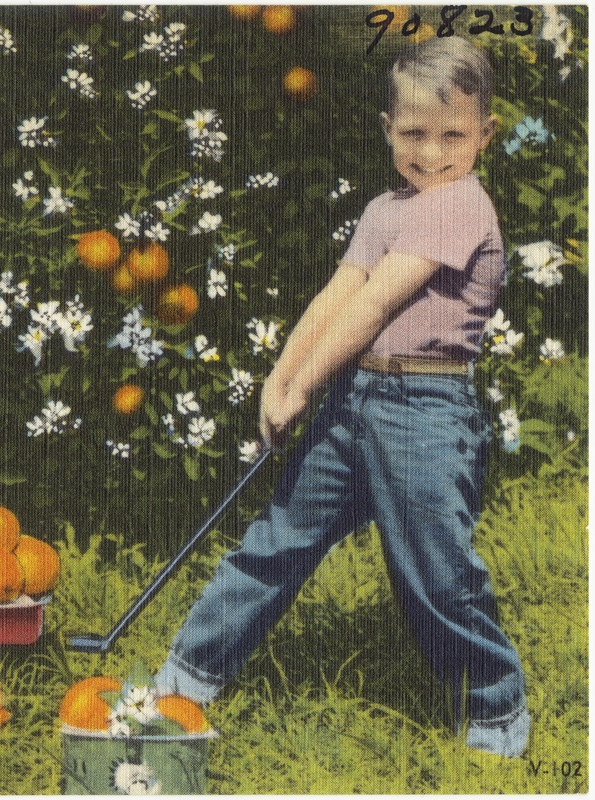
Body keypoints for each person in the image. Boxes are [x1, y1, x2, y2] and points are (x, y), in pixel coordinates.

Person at [154, 36, 530, 758]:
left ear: (485, 133)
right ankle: (186, 678)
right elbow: (338, 295)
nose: (433, 153)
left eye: (454, 135)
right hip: (353, 402)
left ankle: (494, 708)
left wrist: (305, 384)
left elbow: (377, 306)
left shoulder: (460, 206)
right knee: (277, 540)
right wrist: (280, 376)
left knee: (435, 573)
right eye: (414, 134)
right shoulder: (385, 209)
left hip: (427, 410)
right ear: (388, 129)